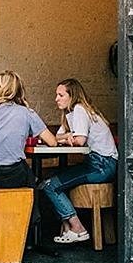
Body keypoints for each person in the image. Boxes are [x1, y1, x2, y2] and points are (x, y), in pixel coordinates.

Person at [40, 78, 118, 244]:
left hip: (102, 165)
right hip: (100, 163)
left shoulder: (80, 109)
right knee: (55, 179)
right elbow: (55, 137)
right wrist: (67, 136)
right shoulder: (70, 114)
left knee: (50, 185)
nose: (56, 99)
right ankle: (67, 228)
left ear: (72, 96)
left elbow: (80, 140)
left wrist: (67, 137)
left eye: (61, 95)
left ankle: (78, 228)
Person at [0, 71, 57, 189]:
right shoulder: (27, 113)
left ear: (7, 90)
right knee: (31, 178)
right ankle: (34, 199)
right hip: (15, 173)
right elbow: (52, 142)